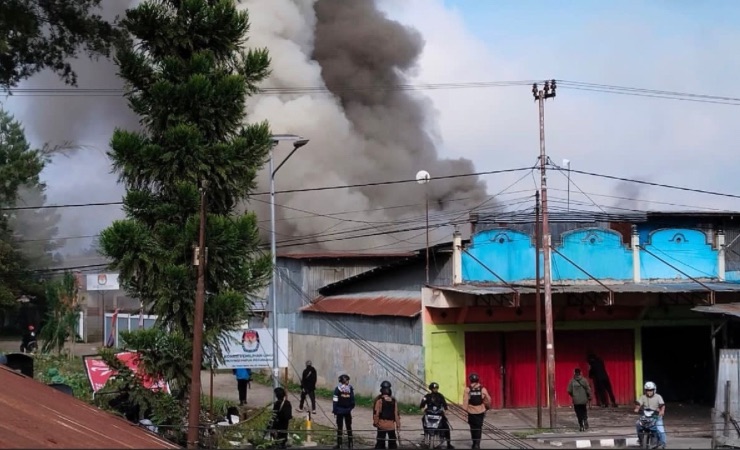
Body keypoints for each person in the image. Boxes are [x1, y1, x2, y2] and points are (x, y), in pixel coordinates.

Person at [420, 382, 454, 449]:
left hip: (439, 414)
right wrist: (422, 409)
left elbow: (445, 405)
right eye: (434, 388)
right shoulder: (427, 396)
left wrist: (446, 410)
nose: (435, 389)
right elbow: (422, 405)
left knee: (447, 427)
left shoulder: (440, 396)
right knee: (423, 419)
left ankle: (448, 443)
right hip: (429, 414)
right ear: (431, 389)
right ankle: (426, 433)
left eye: (436, 388)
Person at [462, 373, 491, 449]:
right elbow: (488, 400)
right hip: (480, 411)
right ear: (478, 380)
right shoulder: (483, 389)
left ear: (470, 380)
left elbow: (465, 402)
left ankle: (474, 443)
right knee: (479, 427)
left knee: (473, 427)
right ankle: (477, 444)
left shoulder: (467, 389)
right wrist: (487, 407)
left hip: (471, 412)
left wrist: (464, 413)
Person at [634, 381, 666, 449]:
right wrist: (637, 408)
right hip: (646, 415)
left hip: (656, 415)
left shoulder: (658, 397)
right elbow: (639, 404)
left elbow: (662, 405)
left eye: (651, 390)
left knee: (660, 429)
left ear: (654, 390)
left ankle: (663, 443)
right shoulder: (643, 397)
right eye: (647, 390)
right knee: (638, 424)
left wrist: (662, 411)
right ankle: (640, 440)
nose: (649, 392)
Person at [372, 384, 401, 449]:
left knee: (380, 443)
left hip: (381, 425)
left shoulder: (379, 401)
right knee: (393, 443)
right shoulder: (394, 401)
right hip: (391, 426)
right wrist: (398, 425)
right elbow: (396, 415)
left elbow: (376, 413)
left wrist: (375, 423)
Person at [332, 374, 355, 449]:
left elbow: (335, 400)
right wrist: (350, 408)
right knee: (349, 427)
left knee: (339, 428)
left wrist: (335, 410)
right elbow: (352, 400)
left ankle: (339, 444)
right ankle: (350, 444)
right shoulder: (350, 388)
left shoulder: (338, 389)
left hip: (339, 411)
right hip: (347, 411)